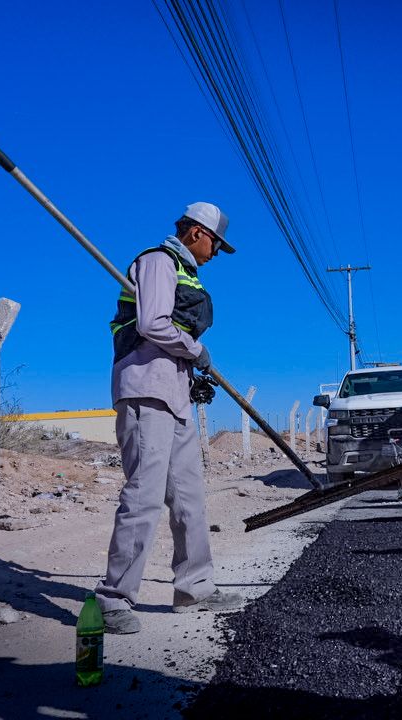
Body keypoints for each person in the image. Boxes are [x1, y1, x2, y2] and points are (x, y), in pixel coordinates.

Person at [97, 202, 244, 634]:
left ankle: (194, 588)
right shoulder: (158, 262)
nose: (215, 252)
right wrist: (197, 351)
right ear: (198, 232)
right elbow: (153, 323)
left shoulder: (186, 271)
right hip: (146, 390)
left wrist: (189, 367)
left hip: (174, 393)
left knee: (189, 498)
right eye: (216, 243)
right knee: (143, 496)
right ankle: (113, 600)